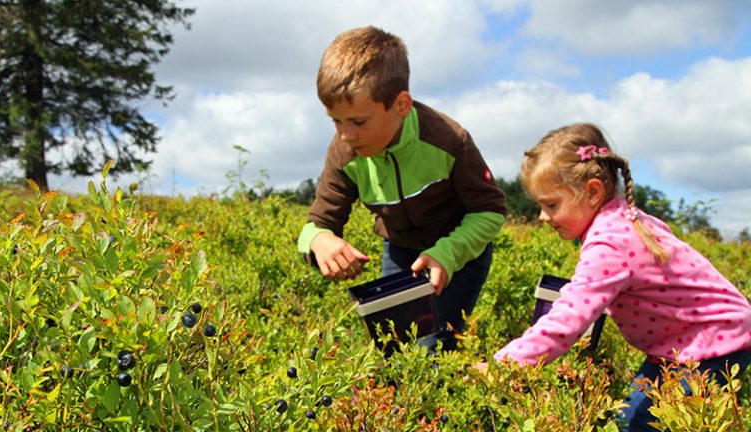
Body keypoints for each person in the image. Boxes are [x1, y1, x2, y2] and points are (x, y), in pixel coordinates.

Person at [492, 123, 751, 431]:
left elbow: (567, 320)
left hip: (713, 343)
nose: (542, 216)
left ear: (592, 192)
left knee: (640, 425)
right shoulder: (623, 219)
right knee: (626, 421)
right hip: (681, 344)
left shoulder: (610, 241)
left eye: (551, 204)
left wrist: (503, 367)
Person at [297, 26, 507, 352]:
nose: (345, 135)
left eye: (358, 122)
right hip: (400, 251)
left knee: (433, 348)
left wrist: (446, 254)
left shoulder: (449, 140)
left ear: (401, 104)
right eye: (336, 121)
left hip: (458, 254)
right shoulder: (344, 153)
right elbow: (317, 223)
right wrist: (319, 240)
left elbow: (490, 212)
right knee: (392, 349)